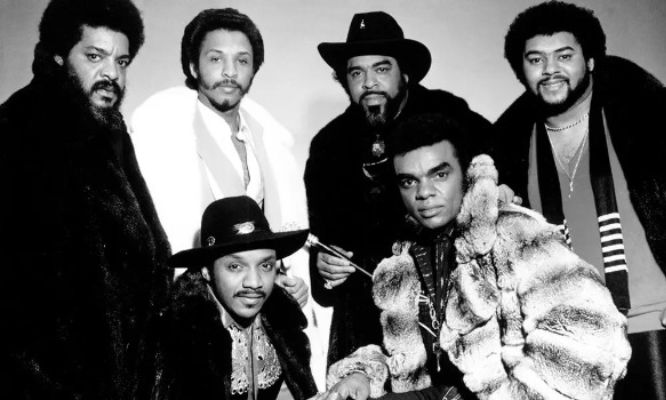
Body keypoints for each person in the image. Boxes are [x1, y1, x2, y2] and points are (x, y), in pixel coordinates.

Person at [321, 113, 630, 400]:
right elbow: (410, 355)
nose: (424, 192)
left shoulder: (514, 232)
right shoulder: (407, 257)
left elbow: (592, 336)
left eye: (439, 174)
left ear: (466, 175)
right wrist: (363, 374)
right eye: (409, 181)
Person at [130, 7, 329, 388]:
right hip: (195, 319)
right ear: (192, 66)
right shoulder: (159, 141)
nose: (229, 71)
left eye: (242, 60)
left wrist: (288, 279)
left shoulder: (269, 143)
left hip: (262, 314)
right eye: (215, 58)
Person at [493, 2, 666, 398]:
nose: (549, 69)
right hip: (572, 343)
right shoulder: (510, 149)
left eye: (564, 56)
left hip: (654, 322)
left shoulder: (644, 119)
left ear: (589, 61)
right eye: (536, 59)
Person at [0, 0, 170, 398]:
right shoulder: (16, 131)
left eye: (122, 61)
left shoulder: (109, 133)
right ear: (59, 55)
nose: (112, 74)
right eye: (95, 56)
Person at [305, 11, 492, 366]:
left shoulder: (448, 115)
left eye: (381, 69)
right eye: (356, 73)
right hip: (364, 323)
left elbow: (500, 172)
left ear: (404, 73)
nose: (368, 83)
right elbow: (324, 247)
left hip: (447, 310)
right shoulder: (328, 145)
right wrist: (325, 267)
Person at [156, 196, 318, 400]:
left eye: (265, 265)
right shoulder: (175, 339)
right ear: (206, 270)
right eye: (235, 266)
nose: (254, 282)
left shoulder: (282, 321)